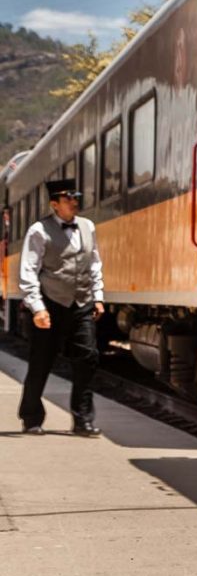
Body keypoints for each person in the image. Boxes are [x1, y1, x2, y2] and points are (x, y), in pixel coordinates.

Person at [17, 179, 105, 437]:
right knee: (41, 362)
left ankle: (83, 420)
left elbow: (94, 264)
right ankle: (31, 417)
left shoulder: (88, 226)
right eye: (68, 199)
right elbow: (29, 271)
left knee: (88, 358)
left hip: (81, 302)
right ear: (55, 204)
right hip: (50, 303)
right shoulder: (39, 230)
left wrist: (97, 296)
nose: (74, 202)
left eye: (75, 197)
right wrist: (37, 308)